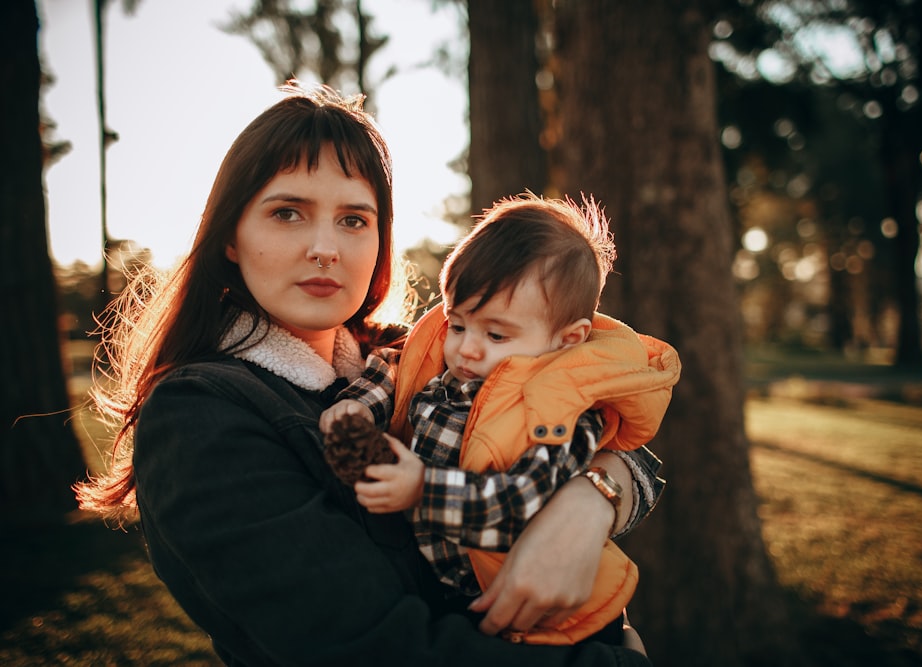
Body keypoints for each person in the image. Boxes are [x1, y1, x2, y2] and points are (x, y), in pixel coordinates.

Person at [73, 82, 667, 667]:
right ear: (231, 236)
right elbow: (376, 647)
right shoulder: (199, 415)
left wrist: (588, 506)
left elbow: (619, 437)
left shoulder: (419, 355)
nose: (326, 247)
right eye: (287, 213)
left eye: (354, 220)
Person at [320, 194, 680, 646]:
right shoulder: (449, 367)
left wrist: (422, 490)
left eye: (495, 334)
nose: (467, 348)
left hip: (540, 618)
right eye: (457, 324)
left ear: (567, 340)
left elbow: (523, 507)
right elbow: (396, 368)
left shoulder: (565, 411)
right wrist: (358, 404)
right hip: (452, 597)